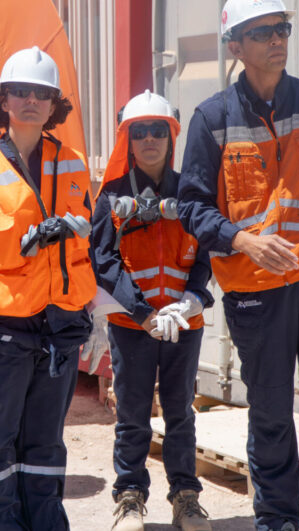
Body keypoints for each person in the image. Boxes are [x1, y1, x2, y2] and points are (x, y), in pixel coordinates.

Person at [177, 0, 299, 531]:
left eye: (282, 29)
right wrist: (243, 240)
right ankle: (279, 523)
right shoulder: (212, 118)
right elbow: (191, 207)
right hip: (255, 292)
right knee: (270, 419)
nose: (277, 40)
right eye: (262, 33)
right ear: (235, 46)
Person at [0, 46, 102, 530]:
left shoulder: (73, 164)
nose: (31, 101)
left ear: (53, 106)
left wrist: (100, 309)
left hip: (60, 328)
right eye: (21, 92)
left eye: (41, 94)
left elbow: (94, 244)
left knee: (45, 446)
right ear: (4, 101)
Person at [91, 90, 213, 531]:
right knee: (133, 415)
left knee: (180, 412)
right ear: (127, 138)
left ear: (171, 136)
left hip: (183, 322)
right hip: (132, 325)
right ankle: (129, 497)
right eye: (139, 131)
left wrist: (192, 298)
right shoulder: (112, 196)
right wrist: (143, 313)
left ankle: (185, 498)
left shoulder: (192, 192)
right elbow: (103, 261)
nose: (148, 139)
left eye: (157, 131)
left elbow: (207, 250)